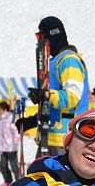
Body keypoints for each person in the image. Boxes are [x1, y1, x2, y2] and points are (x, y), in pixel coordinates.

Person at [27, 16, 89, 156]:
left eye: (41, 37)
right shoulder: (55, 62)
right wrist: (31, 121)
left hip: (65, 138)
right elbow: (52, 105)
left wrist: (46, 94)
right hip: (51, 137)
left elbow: (72, 96)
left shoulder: (69, 61)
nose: (39, 42)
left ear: (52, 36)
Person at [0, 101, 20, 186]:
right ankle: (8, 181)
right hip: (2, 147)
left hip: (11, 146)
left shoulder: (10, 118)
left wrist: (16, 139)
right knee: (3, 165)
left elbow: (15, 130)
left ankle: (19, 182)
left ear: (5, 109)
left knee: (14, 166)